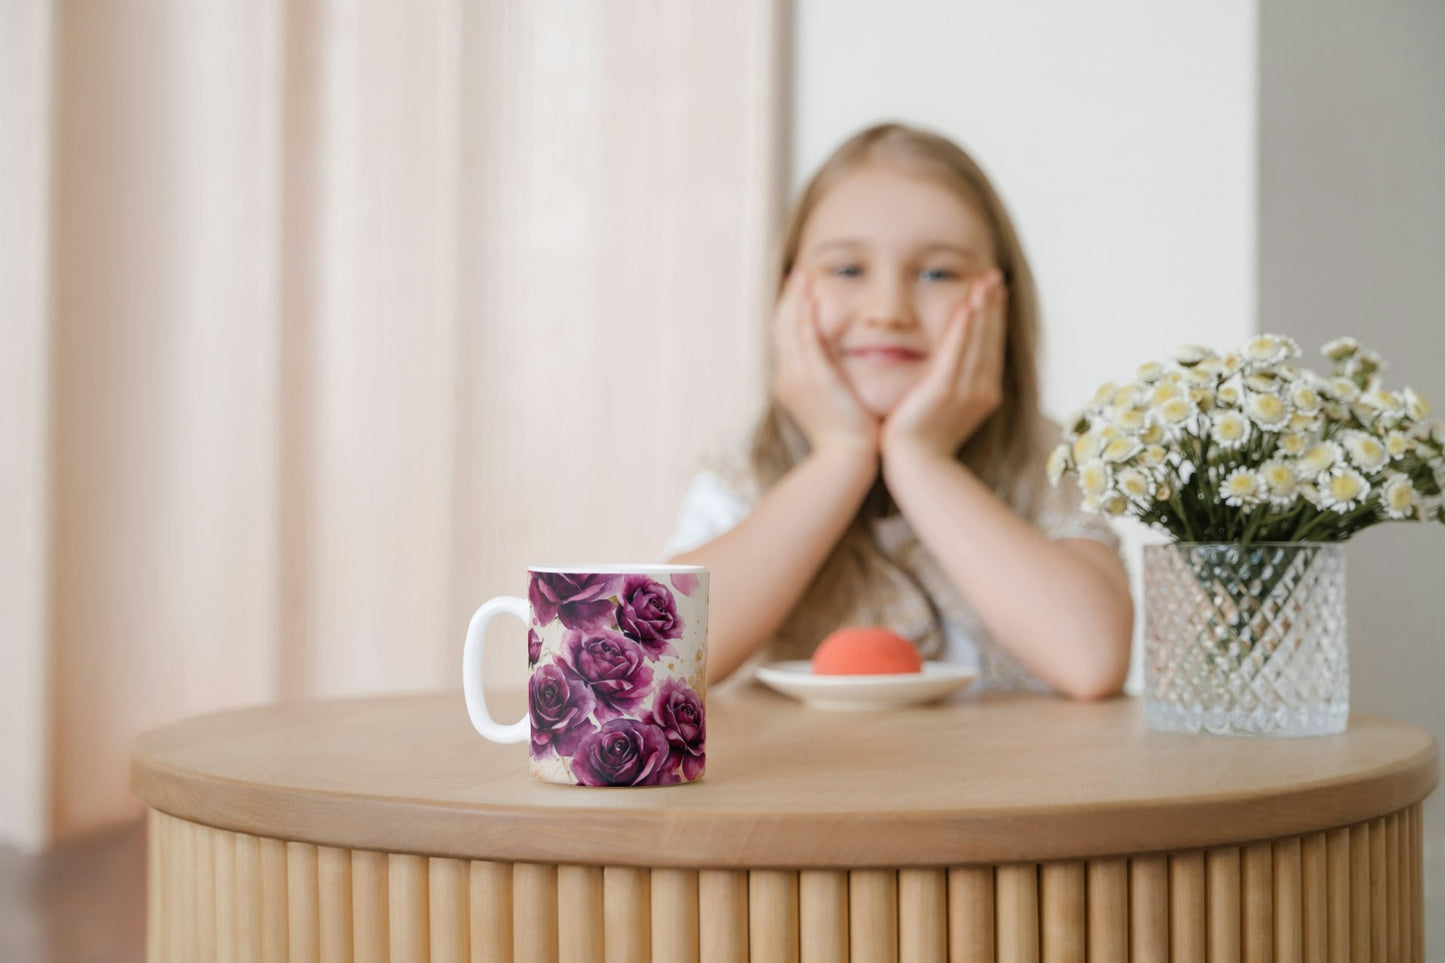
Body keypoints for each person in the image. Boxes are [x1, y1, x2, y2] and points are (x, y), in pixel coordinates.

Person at [665, 122, 1133, 699]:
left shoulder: (1046, 461)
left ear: (1001, 302)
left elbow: (1091, 660)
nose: (888, 310)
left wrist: (922, 460)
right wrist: (840, 457)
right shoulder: (747, 467)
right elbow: (656, 658)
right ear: (788, 295)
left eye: (937, 273)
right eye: (847, 270)